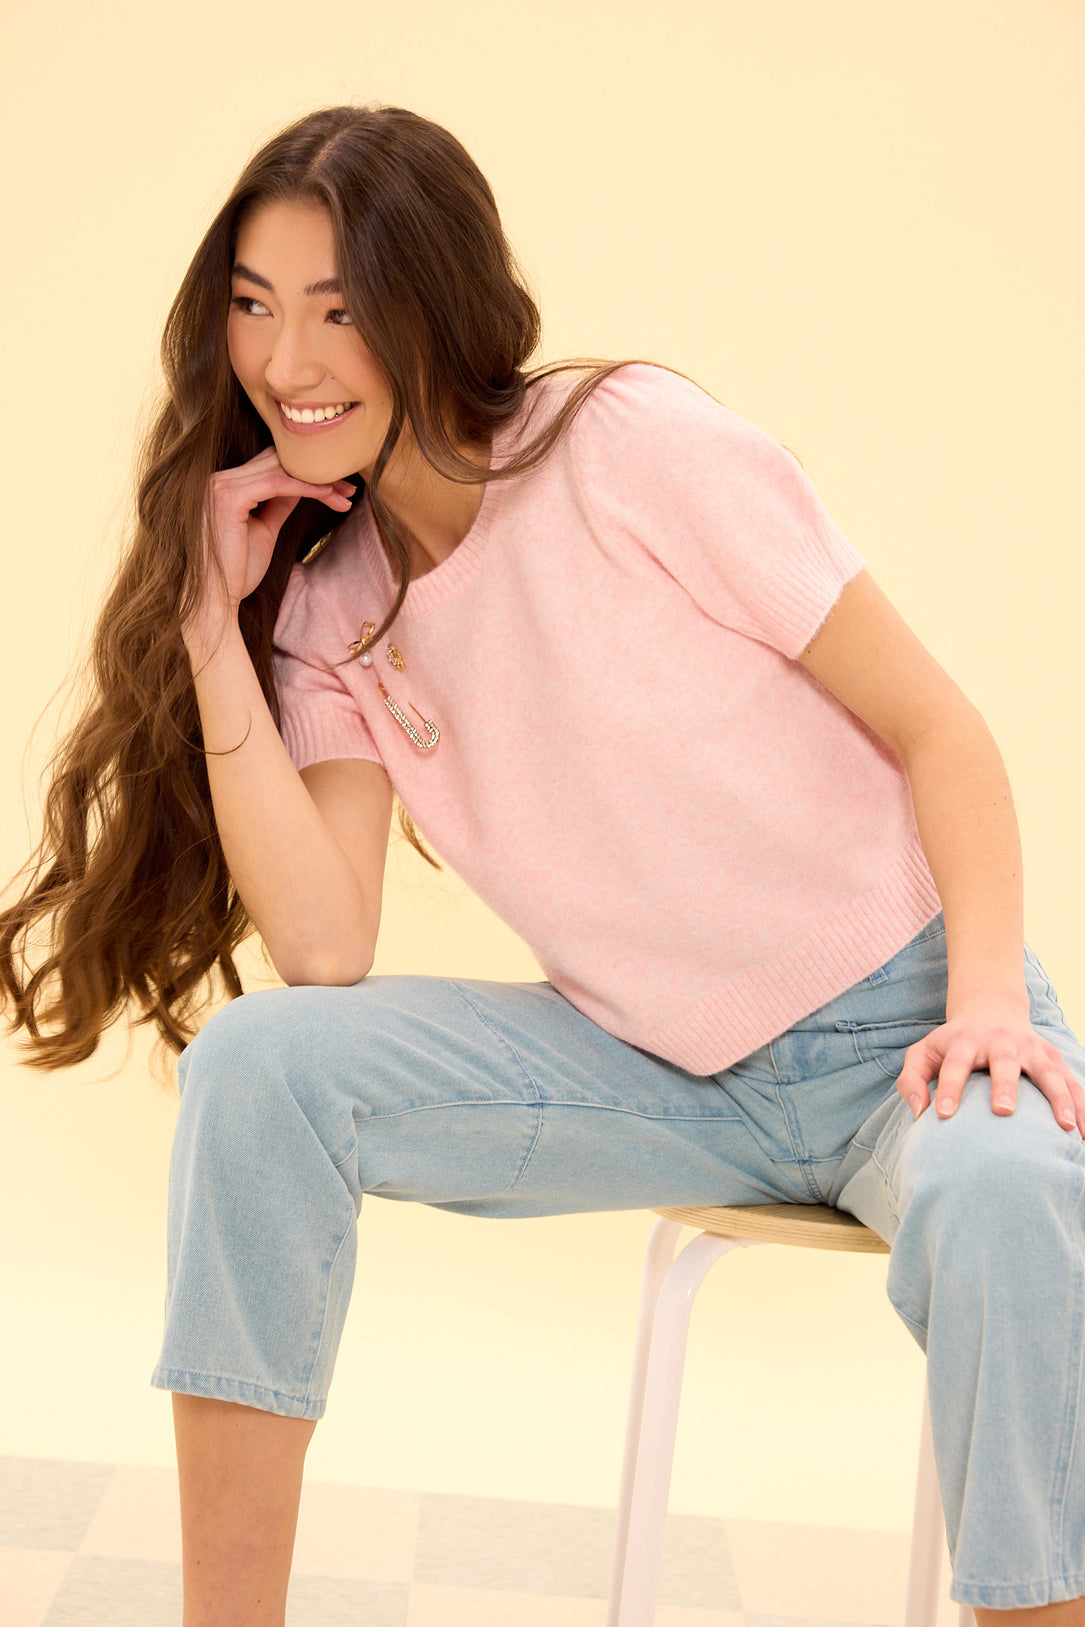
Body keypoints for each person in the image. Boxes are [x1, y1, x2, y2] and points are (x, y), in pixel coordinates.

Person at [2, 102, 1083, 1627]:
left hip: (905, 1034)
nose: (287, 363)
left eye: (338, 308)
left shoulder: (627, 444)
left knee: (1005, 1195)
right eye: (252, 308)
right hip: (643, 1067)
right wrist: (201, 620)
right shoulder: (332, 605)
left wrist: (986, 1004)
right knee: (260, 1063)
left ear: (432, 303)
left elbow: (942, 730)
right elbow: (324, 947)